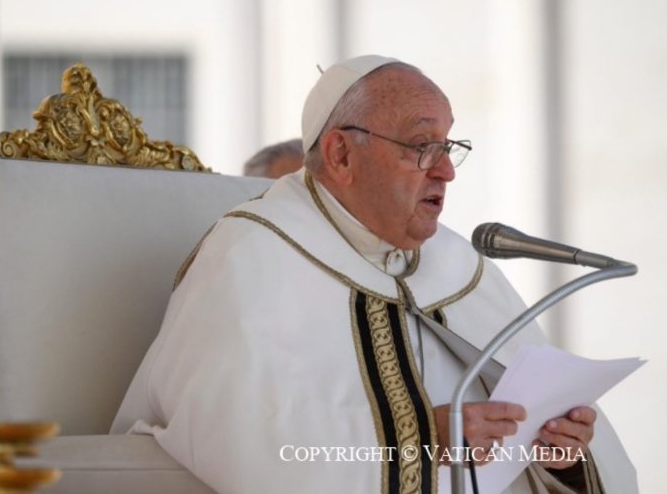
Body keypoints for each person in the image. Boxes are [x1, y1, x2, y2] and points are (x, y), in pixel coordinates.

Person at [112, 55, 636, 493]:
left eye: (449, 147)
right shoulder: (251, 256)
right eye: (421, 145)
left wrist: (558, 455)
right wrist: (419, 441)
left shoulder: (458, 266)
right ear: (341, 153)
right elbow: (240, 442)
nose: (446, 170)